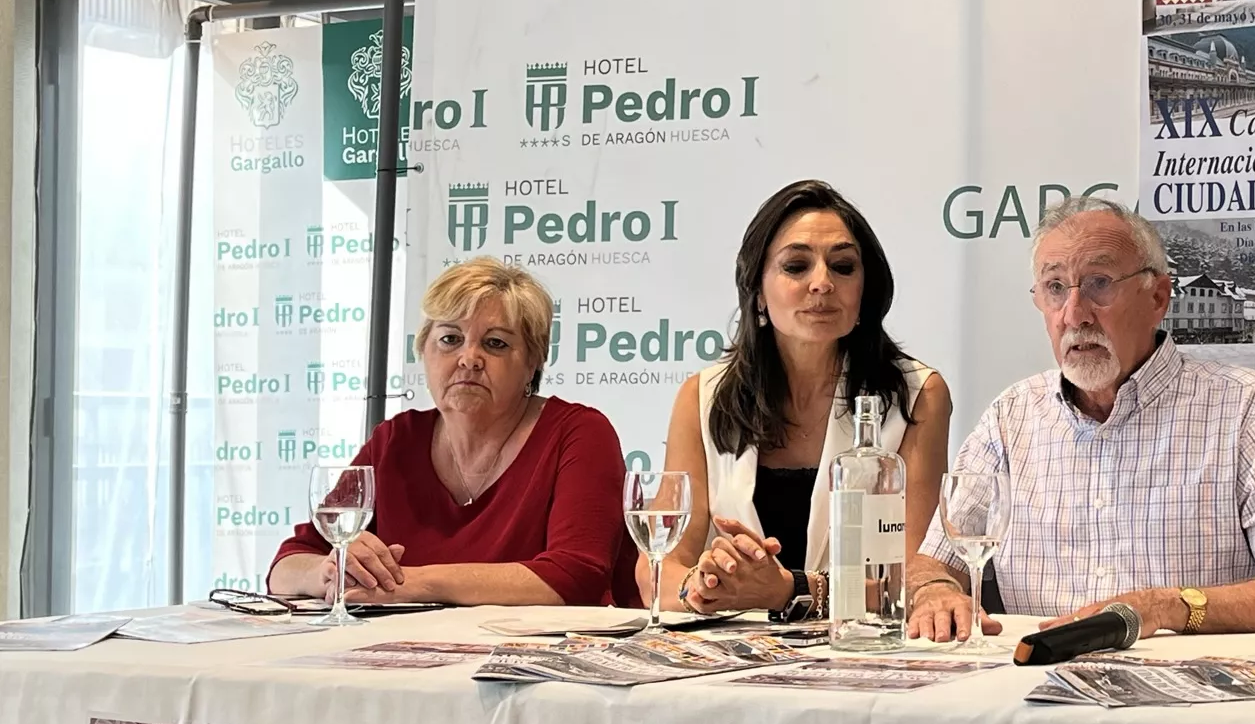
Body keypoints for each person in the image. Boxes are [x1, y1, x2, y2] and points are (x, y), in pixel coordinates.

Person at [907, 195, 1255, 641]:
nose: (1074, 314)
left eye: (1099, 284)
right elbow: (935, 560)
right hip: (1033, 688)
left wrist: (1165, 607)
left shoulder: (1246, 408)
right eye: (1054, 288)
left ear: (1158, 297)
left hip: (1189, 694)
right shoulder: (1011, 417)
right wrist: (934, 591)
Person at [654, 181, 951, 616]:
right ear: (757, 290)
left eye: (843, 267)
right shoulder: (703, 396)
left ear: (865, 291)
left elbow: (913, 577)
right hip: (729, 652)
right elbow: (660, 564)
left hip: (860, 650)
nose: (822, 283)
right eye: (796, 266)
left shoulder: (917, 394)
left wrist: (790, 590)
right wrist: (699, 588)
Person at [269, 258, 638, 606]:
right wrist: (333, 570)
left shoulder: (579, 433)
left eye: (496, 343)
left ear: (532, 362)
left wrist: (413, 584)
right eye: (450, 339)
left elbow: (576, 576)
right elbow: (286, 565)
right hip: (412, 660)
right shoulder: (396, 440)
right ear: (423, 350)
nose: (469, 358)